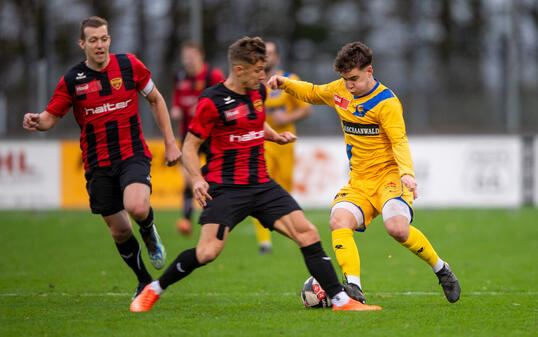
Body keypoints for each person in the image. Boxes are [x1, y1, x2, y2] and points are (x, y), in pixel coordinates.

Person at [130, 37, 382, 312]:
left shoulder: (258, 92)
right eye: (258, 70)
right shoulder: (212, 102)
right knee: (207, 252)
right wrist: (197, 178)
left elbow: (256, 123)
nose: (263, 75)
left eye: (264, 68)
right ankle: (154, 289)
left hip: (261, 184)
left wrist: (275, 136)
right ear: (239, 70)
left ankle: (341, 300)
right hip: (225, 187)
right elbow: (189, 145)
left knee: (307, 232)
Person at [268, 41, 461, 304]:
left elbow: (399, 140)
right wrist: (283, 83)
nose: (349, 85)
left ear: (369, 71)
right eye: (345, 79)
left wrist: (407, 173)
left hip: (390, 177)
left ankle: (442, 269)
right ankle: (354, 287)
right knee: (338, 220)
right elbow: (312, 92)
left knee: (396, 228)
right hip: (359, 181)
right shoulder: (340, 91)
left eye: (354, 78)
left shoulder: (387, 102)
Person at [22, 16, 181, 298]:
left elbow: (156, 99)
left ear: (110, 39)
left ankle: (148, 230)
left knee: (137, 207)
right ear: (82, 44)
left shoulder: (130, 66)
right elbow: (51, 118)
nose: (100, 45)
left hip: (132, 153)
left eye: (104, 38)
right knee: (119, 231)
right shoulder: (72, 80)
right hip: (97, 163)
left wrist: (170, 142)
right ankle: (143, 280)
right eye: (93, 40)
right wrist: (37, 120)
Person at [251, 41, 311, 254]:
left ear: (276, 57)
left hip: (285, 141)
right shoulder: (252, 82)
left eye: (270, 54)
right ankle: (264, 241)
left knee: (284, 187)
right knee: (260, 185)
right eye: (263, 55)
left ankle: (286, 228)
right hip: (261, 142)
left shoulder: (290, 80)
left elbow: (305, 110)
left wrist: (287, 116)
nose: (267, 58)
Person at [171, 41, 225, 236]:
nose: (188, 60)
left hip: (211, 136)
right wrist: (176, 108)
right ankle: (186, 220)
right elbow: (177, 99)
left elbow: (223, 99)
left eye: (192, 55)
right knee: (188, 179)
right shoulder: (179, 76)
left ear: (201, 56)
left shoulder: (213, 75)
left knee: (212, 178)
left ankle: (214, 217)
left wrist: (205, 109)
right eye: (185, 56)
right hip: (189, 136)